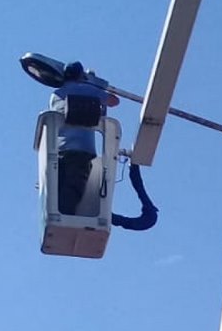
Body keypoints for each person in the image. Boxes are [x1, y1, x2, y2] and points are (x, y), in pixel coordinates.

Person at [50, 61, 158, 230]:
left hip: (60, 151)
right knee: (74, 186)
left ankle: (63, 215)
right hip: (82, 151)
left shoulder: (56, 94)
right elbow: (114, 101)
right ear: (80, 76)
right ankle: (69, 219)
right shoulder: (89, 90)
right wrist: (95, 86)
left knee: (61, 187)